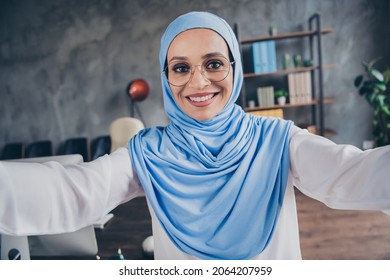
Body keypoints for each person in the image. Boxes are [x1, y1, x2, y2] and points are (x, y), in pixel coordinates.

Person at [0, 11, 389, 260]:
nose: (198, 82)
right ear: (166, 77)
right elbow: (73, 191)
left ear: (234, 68)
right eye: (180, 68)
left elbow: (351, 174)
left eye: (214, 63)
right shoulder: (147, 153)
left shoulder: (278, 140)